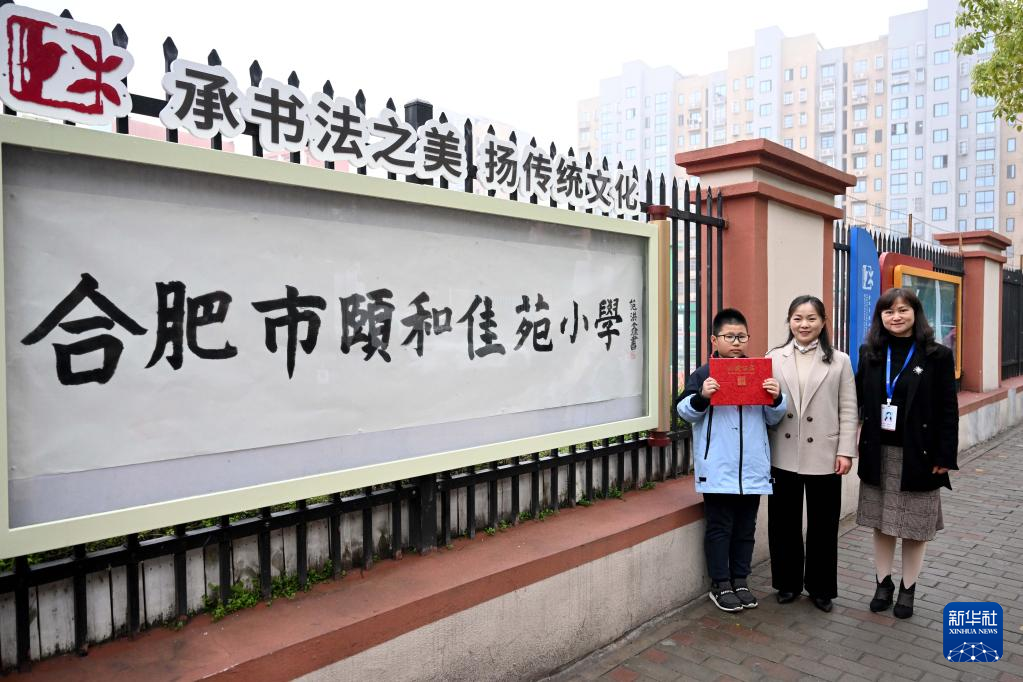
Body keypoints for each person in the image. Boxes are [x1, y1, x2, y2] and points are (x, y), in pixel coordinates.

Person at [855, 287, 958, 619]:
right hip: (879, 452)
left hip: (920, 454)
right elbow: (855, 398)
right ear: (880, 317)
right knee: (882, 524)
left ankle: (908, 588)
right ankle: (882, 584)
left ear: (916, 313)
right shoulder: (870, 352)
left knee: (915, 527)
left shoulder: (937, 355)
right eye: (888, 311)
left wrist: (945, 455)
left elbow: (948, 409)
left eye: (902, 310)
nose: (895, 317)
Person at [677, 308, 787, 613]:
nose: (736, 342)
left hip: (752, 468)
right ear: (715, 340)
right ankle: (720, 583)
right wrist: (702, 396)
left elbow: (774, 418)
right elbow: (684, 412)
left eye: (741, 337)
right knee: (719, 527)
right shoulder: (703, 374)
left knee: (745, 529)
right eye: (729, 337)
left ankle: (740, 580)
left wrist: (777, 398)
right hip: (719, 468)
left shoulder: (759, 372)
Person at [766, 295, 857, 613]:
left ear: (823, 322)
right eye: (797, 318)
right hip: (783, 452)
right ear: (789, 321)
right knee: (783, 522)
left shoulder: (840, 361)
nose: (803, 324)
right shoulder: (773, 357)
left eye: (811, 318)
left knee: (823, 525)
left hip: (825, 453)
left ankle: (821, 588)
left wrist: (846, 451)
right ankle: (787, 583)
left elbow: (849, 408)